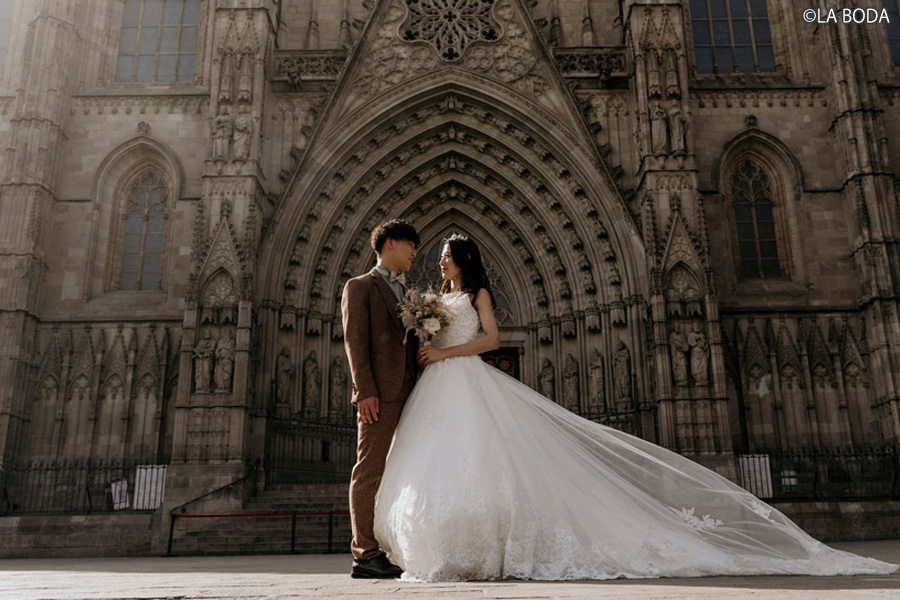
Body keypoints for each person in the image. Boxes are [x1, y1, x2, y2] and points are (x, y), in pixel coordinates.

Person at [373, 234, 897, 582]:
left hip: (463, 374)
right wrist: (425, 336)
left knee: (485, 463)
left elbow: (491, 341)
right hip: (441, 385)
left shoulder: (480, 295)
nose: (439, 261)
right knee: (449, 465)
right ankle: (451, 549)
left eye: (446, 255)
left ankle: (486, 549)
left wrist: (444, 352)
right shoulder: (438, 298)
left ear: (464, 259)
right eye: (438, 256)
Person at [341, 219, 420, 579]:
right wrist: (365, 391)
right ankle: (365, 554)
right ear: (390, 243)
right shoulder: (360, 286)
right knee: (370, 469)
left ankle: (396, 544)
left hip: (413, 392)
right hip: (380, 394)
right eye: (410, 246)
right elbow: (355, 342)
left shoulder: (408, 292)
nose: (414, 253)